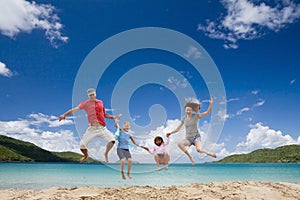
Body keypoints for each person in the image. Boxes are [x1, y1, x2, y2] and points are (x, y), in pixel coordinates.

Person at [58, 88, 121, 163]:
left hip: (102, 128)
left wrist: (114, 117)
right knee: (82, 146)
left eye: (93, 94)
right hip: (92, 129)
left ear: (95, 94)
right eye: (90, 95)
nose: (92, 96)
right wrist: (64, 114)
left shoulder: (101, 102)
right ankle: (86, 156)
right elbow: (74, 109)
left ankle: (106, 153)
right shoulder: (85, 103)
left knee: (113, 140)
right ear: (88, 96)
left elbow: (104, 115)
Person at [166, 98, 216, 165]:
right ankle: (190, 157)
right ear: (185, 110)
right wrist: (170, 133)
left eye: (189, 110)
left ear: (192, 110)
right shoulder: (184, 118)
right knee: (180, 144)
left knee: (198, 150)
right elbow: (178, 129)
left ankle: (210, 154)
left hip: (196, 137)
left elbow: (207, 112)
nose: (188, 111)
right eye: (187, 110)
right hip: (188, 139)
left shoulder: (196, 116)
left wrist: (211, 103)